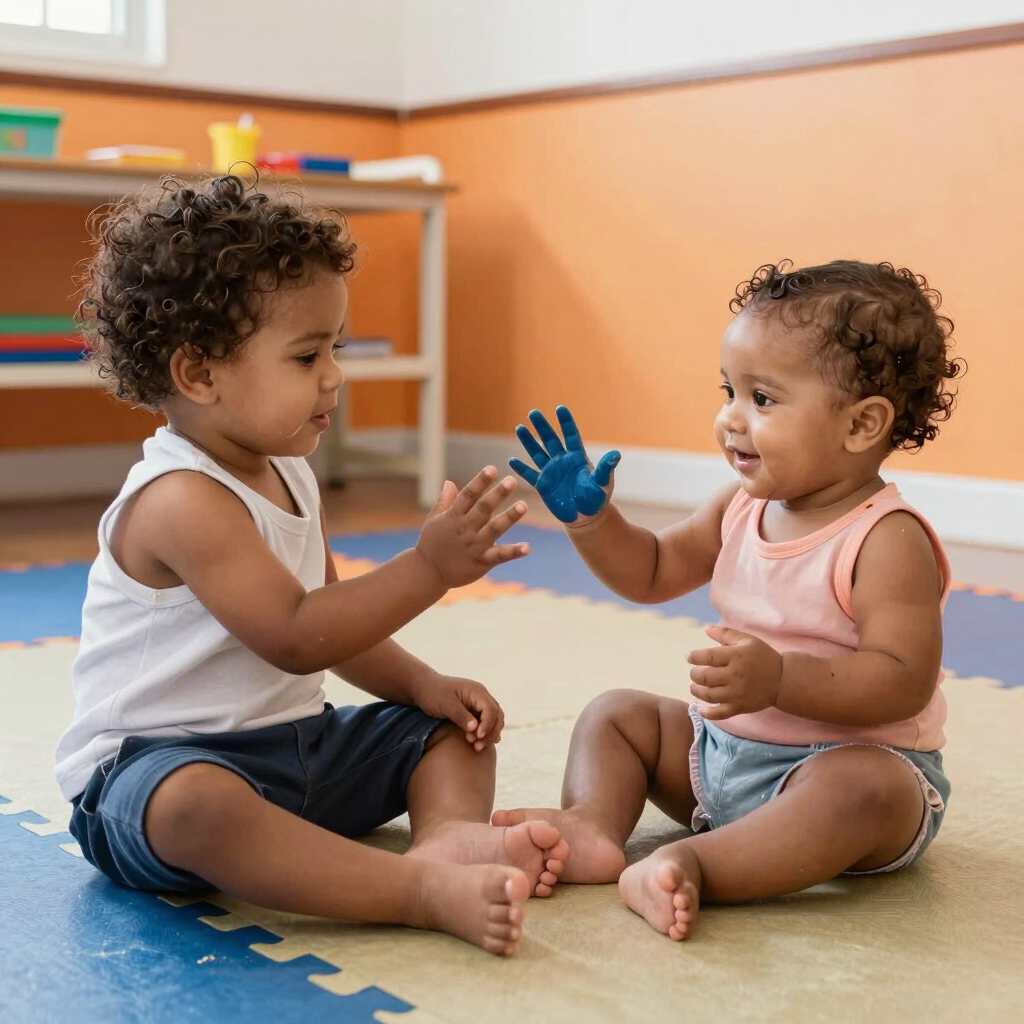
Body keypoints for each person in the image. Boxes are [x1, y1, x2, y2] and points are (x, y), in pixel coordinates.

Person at [55, 174, 568, 958]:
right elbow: (296, 635)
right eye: (306, 356)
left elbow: (336, 619)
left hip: (296, 750)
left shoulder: (291, 471)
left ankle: (447, 842)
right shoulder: (180, 499)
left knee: (450, 732)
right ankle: (413, 891)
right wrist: (428, 569)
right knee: (198, 806)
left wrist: (423, 686)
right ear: (199, 374)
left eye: (336, 348)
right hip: (152, 774)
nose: (334, 375)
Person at [497, 260, 962, 940]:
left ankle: (697, 865)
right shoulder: (739, 507)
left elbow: (903, 680)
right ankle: (594, 826)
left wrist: (779, 679)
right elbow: (652, 572)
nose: (730, 420)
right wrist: (593, 523)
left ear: (862, 424)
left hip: (840, 771)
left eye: (762, 399)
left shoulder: (886, 539)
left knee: (867, 790)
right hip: (718, 756)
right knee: (615, 715)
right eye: (729, 392)